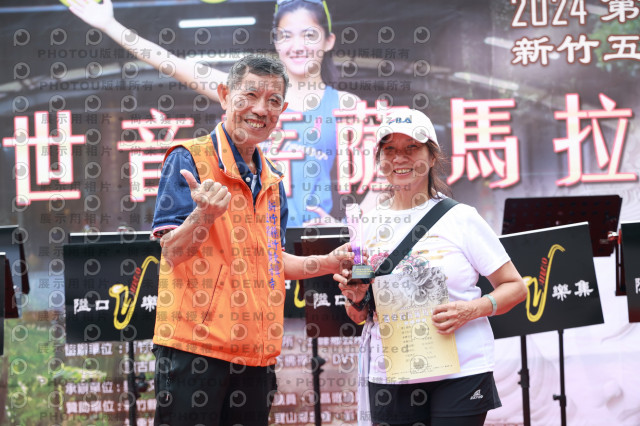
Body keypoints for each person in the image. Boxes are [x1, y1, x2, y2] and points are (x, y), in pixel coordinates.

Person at [149, 54, 350, 425]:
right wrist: (203, 216)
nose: (260, 109)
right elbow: (172, 252)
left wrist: (328, 262)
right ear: (225, 95)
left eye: (273, 101)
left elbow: (270, 259)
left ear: (282, 110)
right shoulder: (188, 159)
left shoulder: (272, 179)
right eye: (250, 95)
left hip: (256, 355)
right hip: (196, 351)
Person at [68, 0, 359, 226]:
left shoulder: (346, 105)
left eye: (309, 35)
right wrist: (110, 25)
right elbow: (172, 63)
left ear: (329, 40)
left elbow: (382, 180)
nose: (297, 46)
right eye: (286, 35)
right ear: (276, 41)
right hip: (251, 239)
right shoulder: (246, 96)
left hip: (312, 245)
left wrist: (345, 226)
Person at [333, 109, 527, 426]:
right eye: (390, 149)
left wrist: (471, 310)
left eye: (412, 147)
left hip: (462, 369)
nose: (400, 158)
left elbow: (515, 287)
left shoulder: (461, 218)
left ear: (432, 156)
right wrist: (356, 298)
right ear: (380, 159)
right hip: (392, 372)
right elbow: (359, 314)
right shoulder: (366, 226)